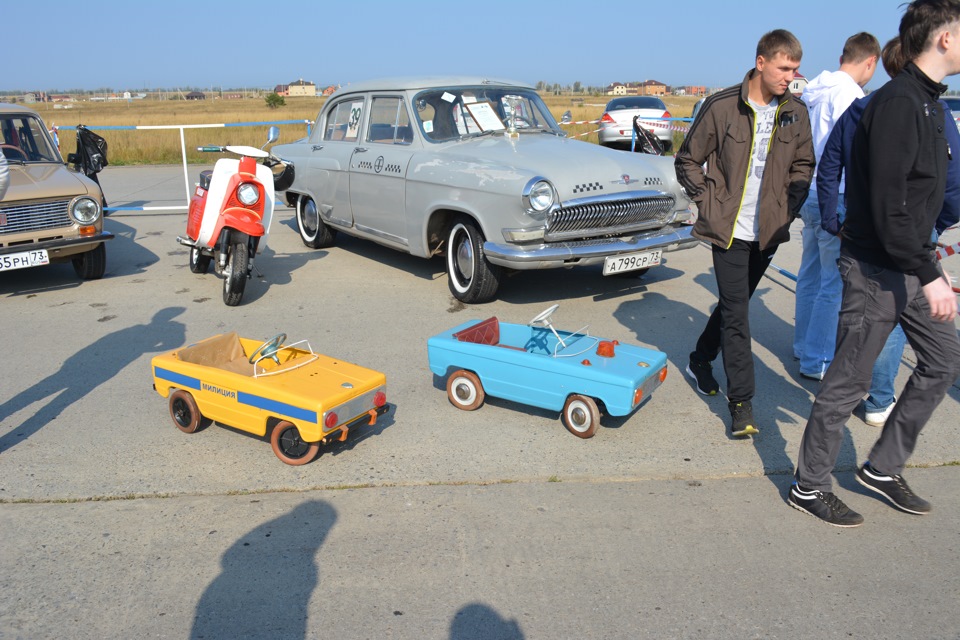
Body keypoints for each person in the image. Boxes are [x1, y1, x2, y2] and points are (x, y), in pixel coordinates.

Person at [791, 0, 960, 527]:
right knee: (848, 382)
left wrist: (930, 262)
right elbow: (888, 206)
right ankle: (808, 484)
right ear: (945, 39)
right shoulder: (897, 104)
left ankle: (883, 466)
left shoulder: (931, 101)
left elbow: (923, 198)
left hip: (909, 263)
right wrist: (929, 273)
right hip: (873, 270)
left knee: (942, 360)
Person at [675, 29, 815, 437]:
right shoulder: (721, 107)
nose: (790, 76)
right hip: (729, 232)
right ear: (761, 62)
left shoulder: (796, 111)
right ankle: (742, 405)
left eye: (795, 69)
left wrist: (791, 208)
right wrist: (707, 200)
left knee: (733, 306)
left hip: (769, 232)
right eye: (784, 68)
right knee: (738, 317)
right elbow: (687, 159)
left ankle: (700, 358)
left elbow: (803, 165)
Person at [818, 36, 960, 429]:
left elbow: (830, 163)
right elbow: (953, 184)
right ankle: (878, 398)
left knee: (845, 306)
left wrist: (834, 218)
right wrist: (934, 227)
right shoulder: (931, 112)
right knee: (885, 320)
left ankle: (819, 364)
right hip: (899, 238)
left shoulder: (864, 106)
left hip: (861, 228)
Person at [793, 33, 880, 381]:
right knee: (834, 281)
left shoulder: (816, 89)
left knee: (811, 273)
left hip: (810, 191)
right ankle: (818, 358)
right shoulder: (851, 97)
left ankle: (803, 347)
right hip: (836, 194)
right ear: (870, 61)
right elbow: (851, 151)